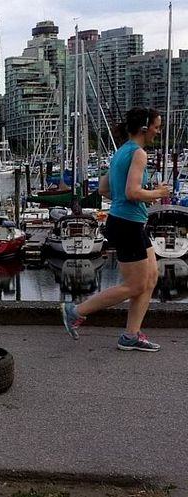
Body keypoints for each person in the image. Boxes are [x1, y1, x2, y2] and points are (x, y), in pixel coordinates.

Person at [60, 108, 170, 352]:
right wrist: (157, 194)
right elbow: (132, 192)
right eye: (156, 126)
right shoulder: (138, 154)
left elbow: (103, 189)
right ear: (144, 127)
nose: (158, 131)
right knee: (134, 285)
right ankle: (75, 311)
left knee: (150, 279)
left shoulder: (121, 152)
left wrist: (135, 198)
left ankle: (131, 336)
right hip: (127, 225)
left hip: (128, 222)